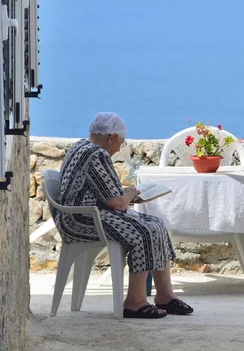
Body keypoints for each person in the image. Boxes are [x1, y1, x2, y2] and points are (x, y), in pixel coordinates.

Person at [54, 112, 193, 319]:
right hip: (82, 219)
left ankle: (165, 296)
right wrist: (129, 195)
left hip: (83, 215)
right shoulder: (97, 154)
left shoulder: (80, 146)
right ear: (111, 138)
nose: (119, 148)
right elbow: (116, 202)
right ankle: (135, 303)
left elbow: (105, 192)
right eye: (120, 142)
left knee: (156, 224)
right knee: (144, 231)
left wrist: (123, 196)